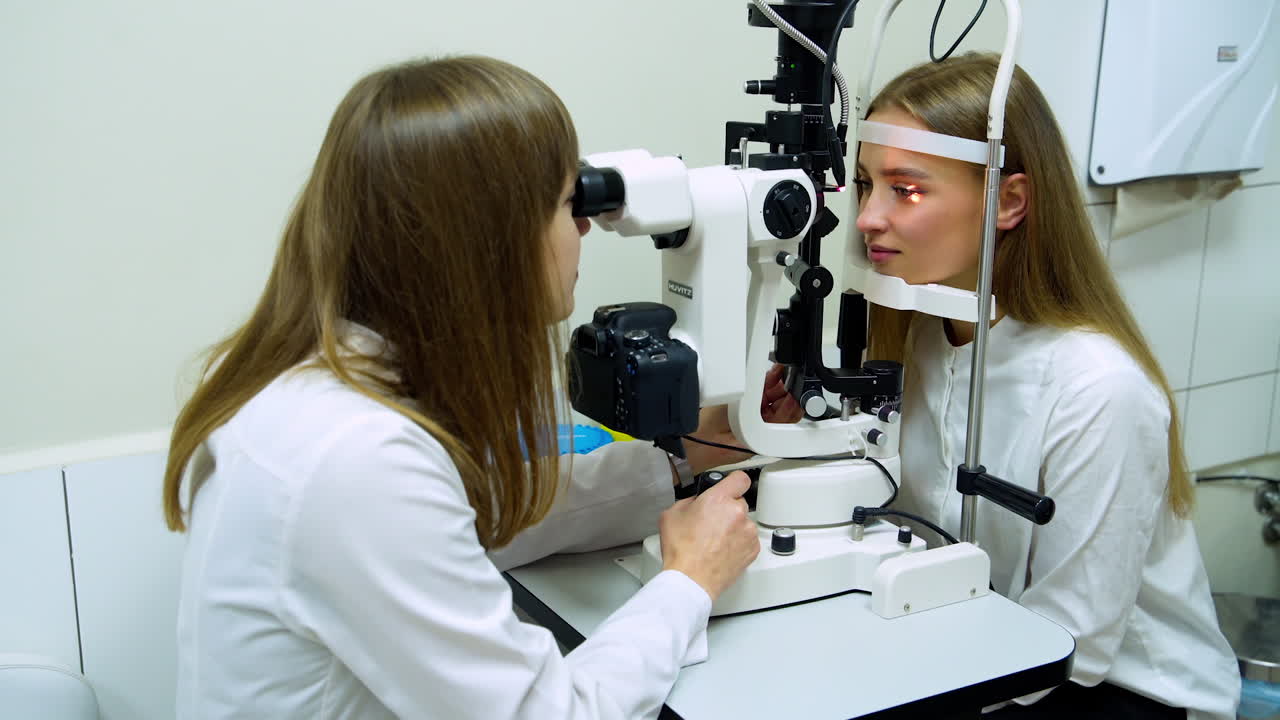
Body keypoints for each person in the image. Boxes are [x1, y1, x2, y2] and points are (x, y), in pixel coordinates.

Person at [161, 55, 798, 719]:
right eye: (567, 203)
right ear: (492, 240)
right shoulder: (358, 462)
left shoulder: (325, 393)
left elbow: (482, 515)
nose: (585, 226)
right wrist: (688, 582)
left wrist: (688, 456)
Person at [853, 52, 1240, 719]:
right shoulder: (918, 334)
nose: (866, 218)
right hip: (978, 640)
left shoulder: (1097, 388)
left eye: (905, 189)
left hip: (1114, 687)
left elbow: (1072, 640)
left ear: (1009, 200)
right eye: (865, 185)